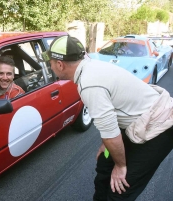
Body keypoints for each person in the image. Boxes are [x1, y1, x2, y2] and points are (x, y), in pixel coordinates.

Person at [42, 35, 173, 200]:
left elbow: (111, 134)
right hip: (135, 122)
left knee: (120, 189)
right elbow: (111, 120)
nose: (51, 66)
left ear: (60, 65)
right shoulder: (91, 66)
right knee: (104, 163)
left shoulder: (90, 84)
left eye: (51, 62)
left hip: (159, 128)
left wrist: (120, 166)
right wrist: (106, 144)